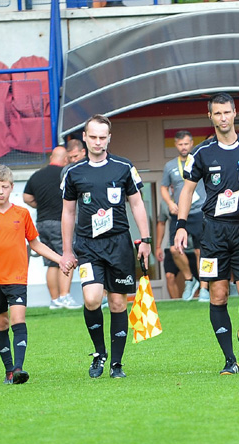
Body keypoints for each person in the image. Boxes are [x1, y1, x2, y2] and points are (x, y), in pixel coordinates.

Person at [174, 92, 239, 375]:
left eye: (227, 112)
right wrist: (180, 225)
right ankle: (229, 360)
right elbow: (187, 191)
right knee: (218, 294)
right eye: (218, 113)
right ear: (210, 116)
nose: (223, 118)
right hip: (213, 232)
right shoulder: (201, 153)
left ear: (235, 113)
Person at [60, 114, 151, 379]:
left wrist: (145, 240)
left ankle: (116, 364)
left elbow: (137, 204)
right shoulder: (73, 172)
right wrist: (67, 251)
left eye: (103, 137)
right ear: (84, 138)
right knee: (92, 298)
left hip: (119, 243)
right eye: (93, 137)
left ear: (109, 138)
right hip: (87, 246)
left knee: (118, 303)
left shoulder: (124, 167)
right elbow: (68, 212)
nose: (98, 142)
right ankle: (100, 353)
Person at [0, 165, 69, 385]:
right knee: (1, 323)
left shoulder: (22, 214)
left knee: (18, 319)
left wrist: (60, 259)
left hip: (16, 279)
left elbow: (35, 243)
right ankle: (8, 370)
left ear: (12, 187)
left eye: (5, 187)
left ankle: (18, 369)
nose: (1, 191)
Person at [23, 146, 82, 310]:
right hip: (60, 223)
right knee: (66, 257)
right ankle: (65, 296)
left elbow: (26, 197)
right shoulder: (66, 174)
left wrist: (40, 205)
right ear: (66, 160)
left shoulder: (37, 175)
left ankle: (55, 300)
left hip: (42, 223)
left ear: (51, 158)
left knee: (51, 262)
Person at [161, 130, 209, 301]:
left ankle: (204, 288)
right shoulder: (170, 166)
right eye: (180, 144)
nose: (184, 147)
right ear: (176, 145)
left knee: (200, 251)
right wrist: (169, 202)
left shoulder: (199, 160)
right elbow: (163, 187)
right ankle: (190, 279)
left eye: (186, 143)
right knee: (174, 249)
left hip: (199, 212)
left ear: (192, 143)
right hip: (180, 213)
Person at [155, 201, 199, 299]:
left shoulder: (196, 199)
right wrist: (158, 246)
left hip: (192, 247)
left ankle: (195, 299)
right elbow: (161, 223)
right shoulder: (165, 203)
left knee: (198, 280)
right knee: (169, 276)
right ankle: (175, 302)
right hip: (174, 245)